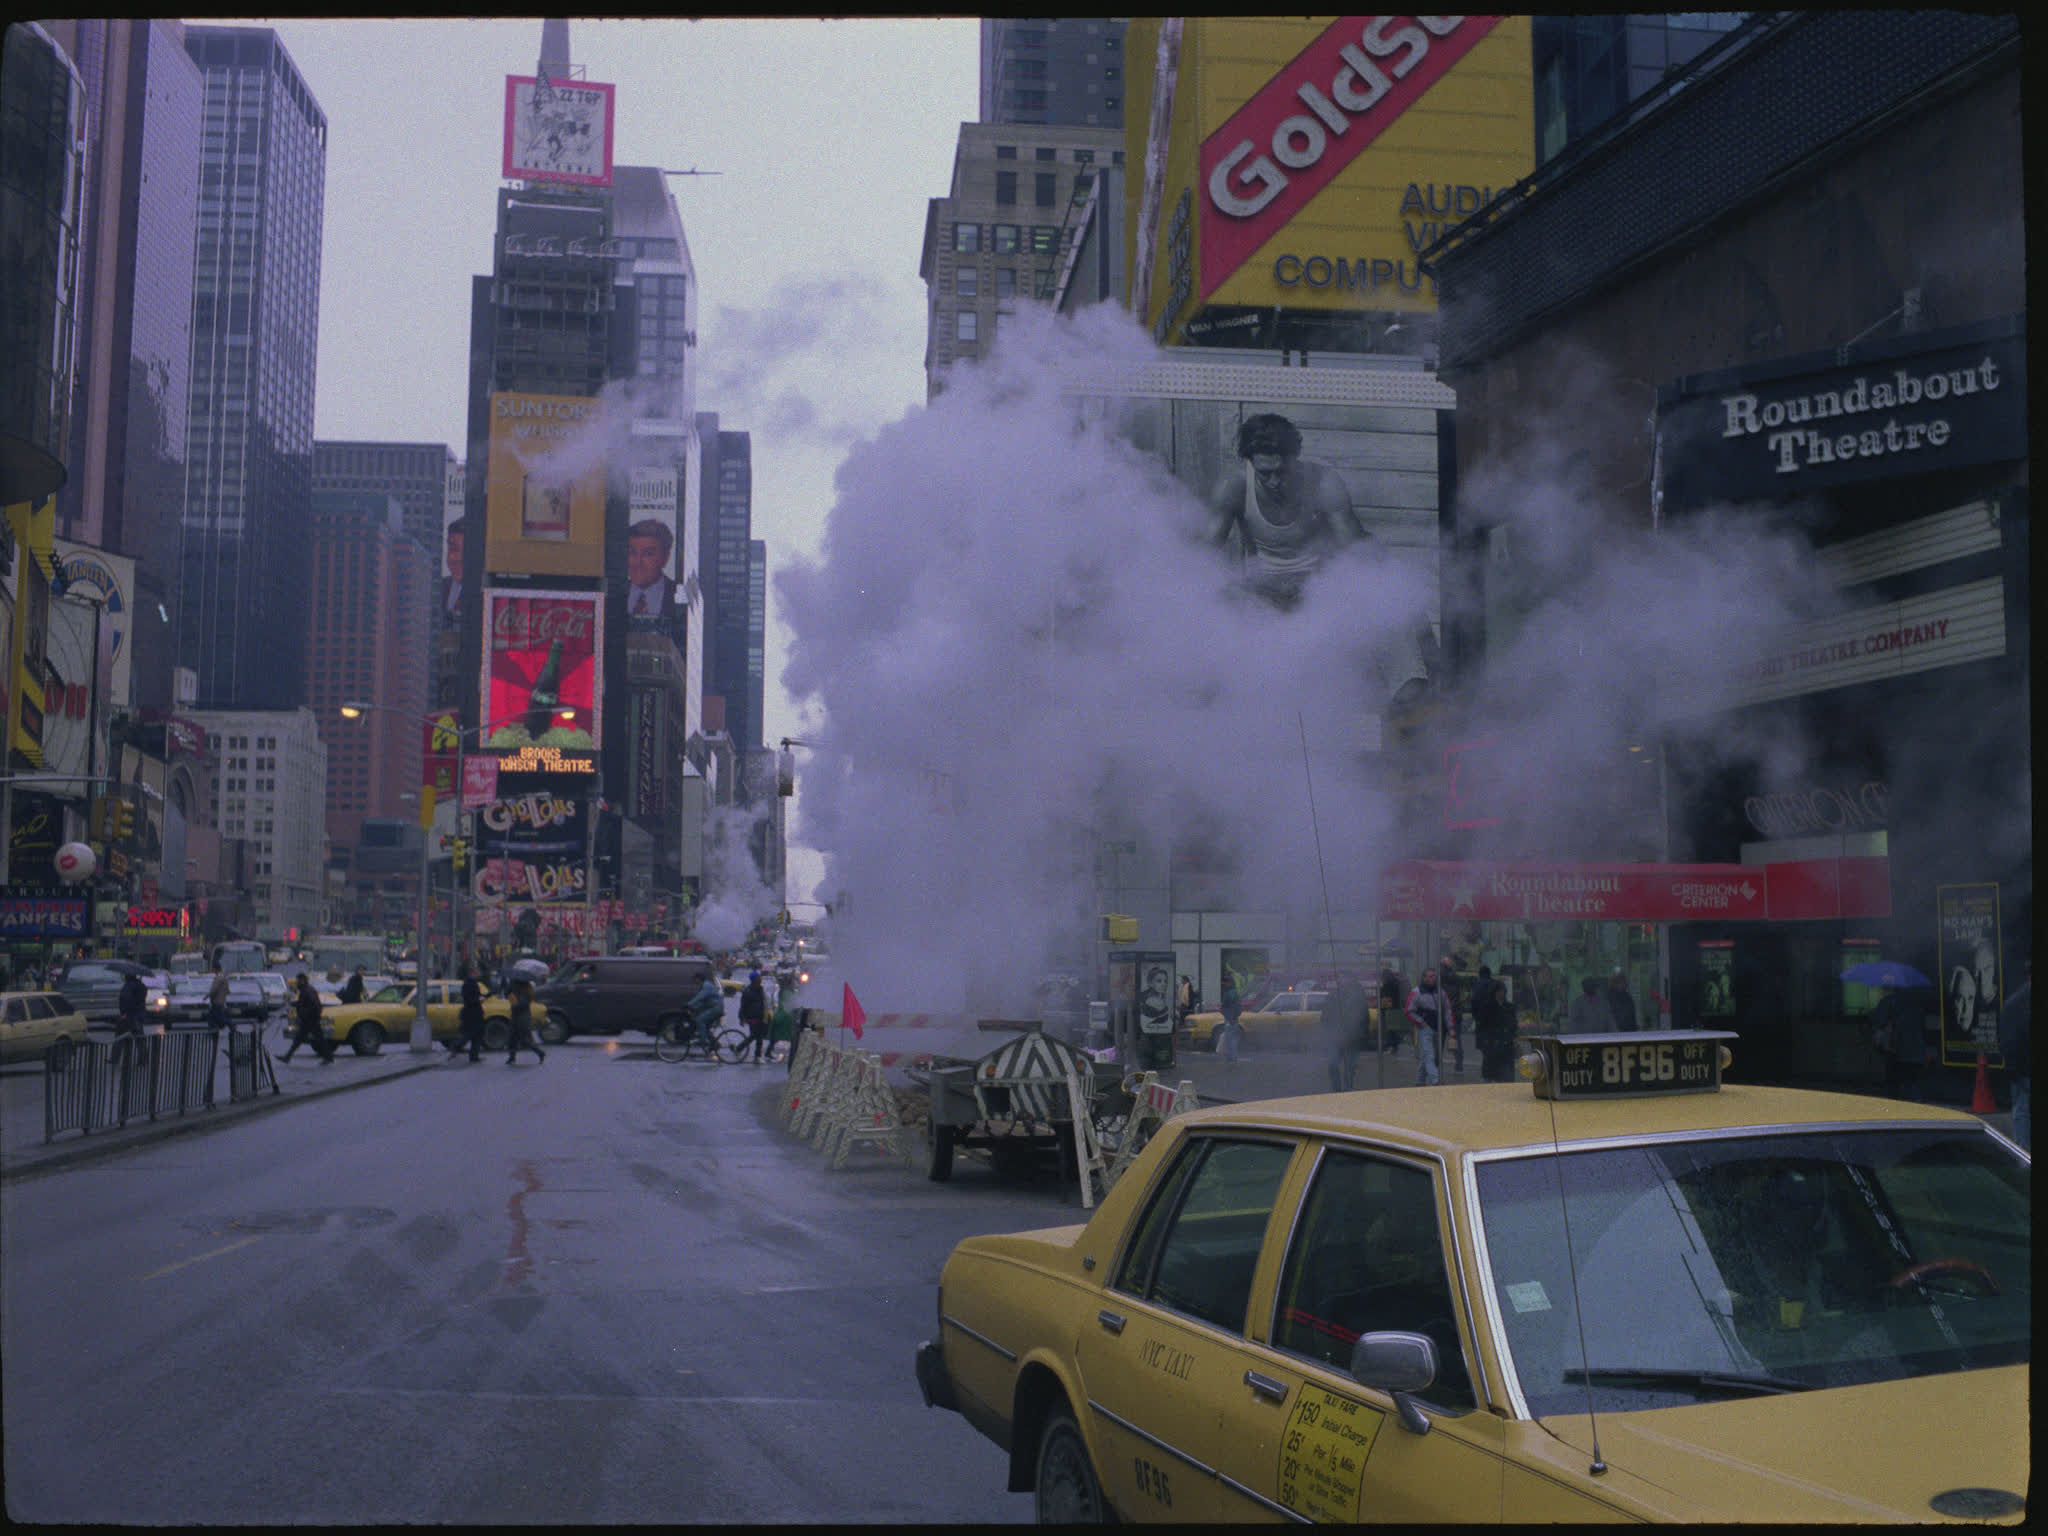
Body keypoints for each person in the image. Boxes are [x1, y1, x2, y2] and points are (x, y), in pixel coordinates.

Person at [1205, 412, 1369, 610]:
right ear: (1250, 462)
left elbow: (1356, 550)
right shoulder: (1233, 487)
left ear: (1294, 456)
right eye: (1264, 474)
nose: (1274, 482)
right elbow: (1203, 554)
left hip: (1316, 589)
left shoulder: (1323, 483)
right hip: (1262, 592)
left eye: (1281, 471)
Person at [1996, 958, 2029, 1150]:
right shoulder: (2016, 1004)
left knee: (2022, 1112)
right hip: (2024, 1069)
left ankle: (2023, 1153)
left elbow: (2007, 1040)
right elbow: (2009, 1041)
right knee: (2022, 1111)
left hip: (2022, 1070)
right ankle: (2023, 1152)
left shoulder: (2013, 1004)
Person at [1872, 982, 1925, 1100]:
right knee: (1912, 1083)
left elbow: (1878, 1020)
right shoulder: (1916, 1003)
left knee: (1893, 1084)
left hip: (1896, 1049)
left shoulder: (1888, 1002)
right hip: (1916, 1049)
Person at [1321, 975, 1373, 1092]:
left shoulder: (1357, 997)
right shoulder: (1333, 996)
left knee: (1349, 1067)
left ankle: (1347, 1089)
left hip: (1352, 1038)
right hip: (1335, 1038)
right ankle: (1337, 1090)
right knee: (1333, 1065)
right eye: (1340, 978)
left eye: (1344, 978)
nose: (1342, 981)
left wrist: (1362, 1034)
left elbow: (1364, 1018)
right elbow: (1325, 1017)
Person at [626, 518, 677, 618]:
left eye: (648, 554)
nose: (638, 562)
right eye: (632, 553)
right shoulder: (613, 594)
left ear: (665, 558)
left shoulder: (679, 594)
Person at [283, 969, 335, 1064]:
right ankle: (287, 1057)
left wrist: (306, 1014)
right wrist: (295, 1004)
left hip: (310, 1020)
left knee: (318, 1040)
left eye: (298, 981)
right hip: (309, 1019)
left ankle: (329, 1057)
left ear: (302, 980)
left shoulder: (307, 990)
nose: (297, 983)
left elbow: (313, 1005)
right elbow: (304, 1003)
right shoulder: (306, 989)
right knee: (301, 1039)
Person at [1475, 977, 1519, 1083]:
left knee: (1507, 1076)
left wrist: (1513, 1035)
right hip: (1492, 1046)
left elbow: (1513, 1024)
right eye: (1499, 991)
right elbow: (1481, 1026)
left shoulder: (1509, 1007)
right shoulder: (1487, 1007)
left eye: (1503, 991)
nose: (1501, 994)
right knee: (1491, 1075)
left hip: (1506, 1045)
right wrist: (1483, 1044)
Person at [1405, 968, 1444, 1086]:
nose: (1432, 979)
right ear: (1424, 978)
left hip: (1437, 1027)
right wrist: (1421, 1022)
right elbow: (1408, 1011)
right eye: (1429, 976)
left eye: (1433, 976)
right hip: (1425, 1028)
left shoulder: (1440, 992)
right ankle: (1435, 1080)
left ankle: (1419, 1081)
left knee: (1428, 1057)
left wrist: (1450, 1026)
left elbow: (1447, 1010)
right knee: (1429, 1055)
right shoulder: (1416, 992)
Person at [113, 967, 149, 1067]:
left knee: (120, 1037)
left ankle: (115, 1058)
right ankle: (143, 1059)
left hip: (129, 1015)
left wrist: (124, 1012)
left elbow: (126, 1000)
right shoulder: (141, 986)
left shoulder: (129, 986)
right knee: (139, 1038)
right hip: (138, 1015)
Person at [505, 978, 546, 1064]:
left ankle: (540, 1052)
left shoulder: (526, 990)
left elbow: (522, 1004)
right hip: (515, 1016)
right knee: (512, 1037)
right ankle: (512, 1057)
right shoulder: (514, 988)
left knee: (525, 1039)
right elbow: (507, 993)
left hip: (523, 1017)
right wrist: (508, 991)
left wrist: (514, 1002)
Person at [451, 965, 485, 1062]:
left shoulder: (471, 982)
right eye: (476, 972)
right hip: (472, 1013)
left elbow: (474, 996)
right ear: (472, 973)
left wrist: (481, 997)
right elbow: (470, 998)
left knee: (476, 1034)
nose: (478, 974)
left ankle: (474, 1055)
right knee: (471, 1034)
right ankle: (457, 1046)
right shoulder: (469, 983)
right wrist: (479, 1000)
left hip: (474, 1012)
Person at [686, 972, 726, 1053]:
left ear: (699, 979)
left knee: (700, 1020)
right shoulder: (704, 985)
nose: (694, 981)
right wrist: (693, 1007)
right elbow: (703, 1002)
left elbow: (700, 997)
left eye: (695, 979)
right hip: (713, 1007)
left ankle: (703, 1041)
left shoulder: (706, 986)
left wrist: (689, 1004)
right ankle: (715, 1044)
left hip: (716, 1008)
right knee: (706, 1028)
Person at [739, 969, 770, 1063]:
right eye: (758, 978)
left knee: (756, 1036)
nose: (760, 979)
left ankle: (741, 1049)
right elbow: (743, 1005)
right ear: (754, 979)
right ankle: (756, 1055)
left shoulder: (760, 989)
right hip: (752, 1017)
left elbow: (763, 1002)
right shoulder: (748, 991)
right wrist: (741, 1018)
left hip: (760, 1016)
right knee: (756, 1036)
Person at [1378, 966, 1405, 1053]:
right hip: (1395, 1009)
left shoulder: (1387, 985)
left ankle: (1390, 1046)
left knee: (1390, 1029)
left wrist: (1382, 1006)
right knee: (1394, 1029)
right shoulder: (1396, 983)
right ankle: (1394, 1046)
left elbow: (1386, 998)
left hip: (1389, 1010)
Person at [1218, 973, 1244, 1064]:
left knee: (1229, 1039)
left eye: (1224, 983)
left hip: (1230, 1019)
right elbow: (1238, 1007)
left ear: (1228, 983)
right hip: (1234, 1019)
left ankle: (1230, 1057)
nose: (1223, 984)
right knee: (1233, 1039)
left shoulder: (1228, 993)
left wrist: (1229, 1017)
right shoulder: (1235, 992)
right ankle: (1233, 1056)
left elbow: (1226, 1007)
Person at [206, 967, 232, 1033]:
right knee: (212, 1015)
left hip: (217, 1001)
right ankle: (213, 1028)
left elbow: (214, 989)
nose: (212, 971)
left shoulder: (218, 978)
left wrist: (207, 996)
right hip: (221, 1000)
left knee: (218, 1016)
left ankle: (231, 1024)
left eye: (213, 969)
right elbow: (228, 991)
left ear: (215, 969)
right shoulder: (224, 978)